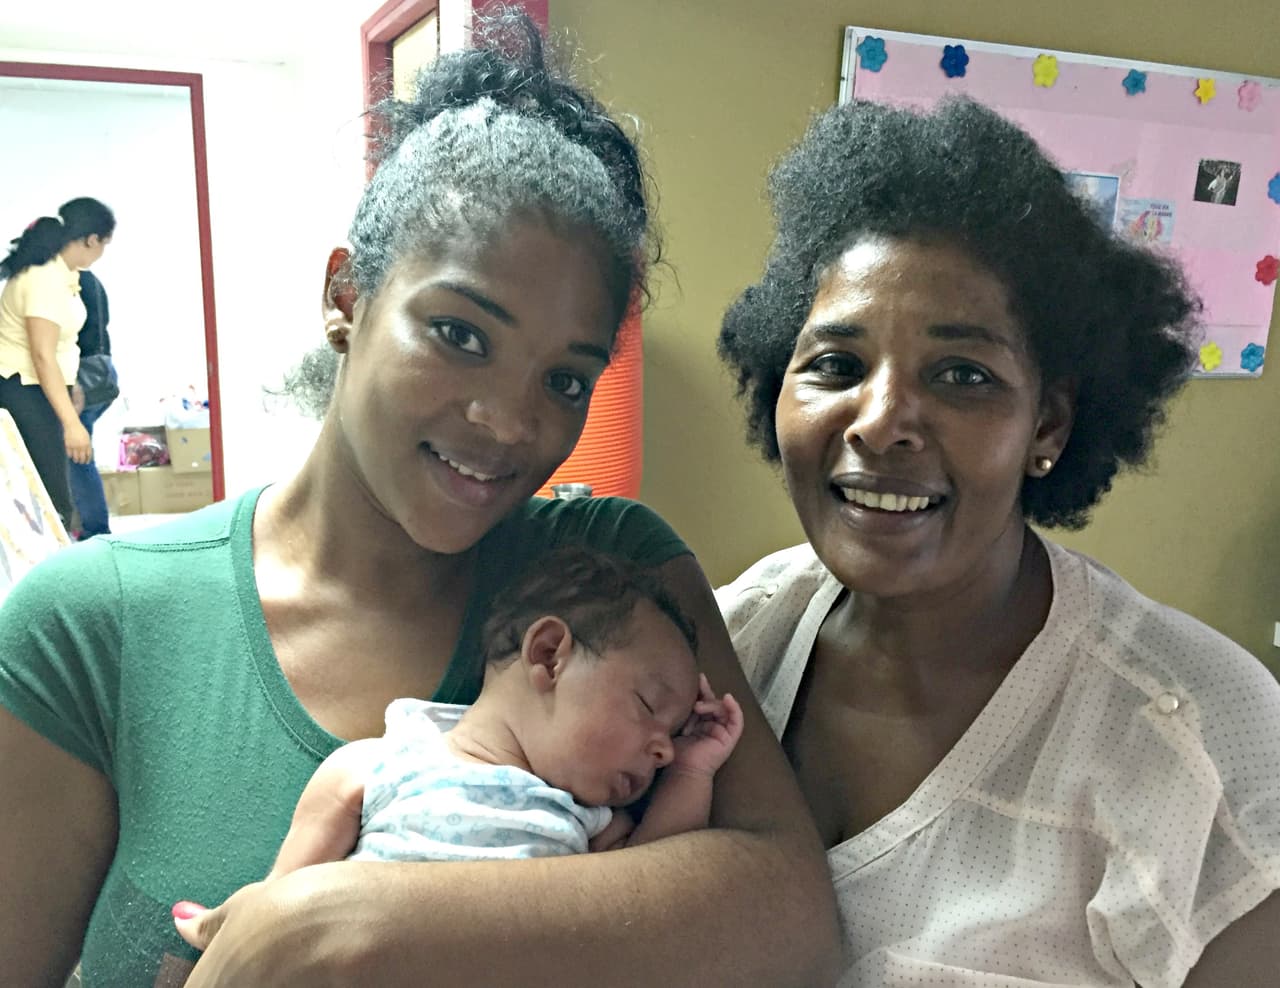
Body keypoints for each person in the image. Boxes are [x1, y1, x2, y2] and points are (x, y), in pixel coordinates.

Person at [0, 13, 839, 988]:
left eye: (565, 379)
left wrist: (347, 915)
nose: (506, 422)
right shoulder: (89, 627)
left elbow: (789, 915)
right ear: (347, 296)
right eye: (460, 333)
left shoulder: (608, 578)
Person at [717, 96, 1280, 987]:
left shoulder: (1204, 745)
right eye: (835, 365)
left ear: (1048, 423)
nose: (882, 419)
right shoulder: (734, 640)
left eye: (962, 375)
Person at [254, 545, 742, 884]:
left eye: (672, 736)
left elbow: (656, 878)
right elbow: (281, 903)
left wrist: (691, 769)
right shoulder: (382, 764)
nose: (663, 749)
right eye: (648, 706)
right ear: (549, 655)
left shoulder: (586, 820)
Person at [0, 197, 114, 532]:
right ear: (91, 240)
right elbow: (42, 355)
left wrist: (72, 385)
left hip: (41, 388)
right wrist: (72, 424)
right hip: (26, 391)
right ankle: (53, 577)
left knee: (53, 493)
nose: (102, 251)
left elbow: (61, 347)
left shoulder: (63, 275)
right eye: (104, 243)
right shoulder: (45, 279)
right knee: (51, 498)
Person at [69, 269, 118, 539]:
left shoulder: (71, 279)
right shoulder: (90, 278)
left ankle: (95, 529)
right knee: (76, 455)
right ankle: (85, 525)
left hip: (83, 378)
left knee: (76, 457)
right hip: (102, 372)